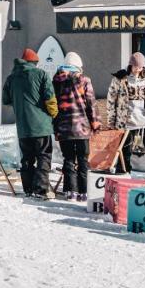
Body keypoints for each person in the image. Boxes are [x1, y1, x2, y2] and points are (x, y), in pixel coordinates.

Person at [3, 48, 58, 199]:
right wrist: (54, 114)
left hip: (23, 127)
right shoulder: (41, 74)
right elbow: (50, 99)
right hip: (41, 126)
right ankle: (40, 190)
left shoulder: (11, 78)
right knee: (43, 157)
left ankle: (28, 189)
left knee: (27, 159)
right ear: (34, 62)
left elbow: (5, 100)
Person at [106, 51, 145, 184]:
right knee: (124, 153)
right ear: (130, 66)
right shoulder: (120, 79)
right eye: (136, 66)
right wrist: (111, 121)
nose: (138, 69)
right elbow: (111, 101)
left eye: (140, 67)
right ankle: (122, 181)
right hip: (127, 122)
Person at [52, 52, 99, 201]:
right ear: (78, 66)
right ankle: (83, 192)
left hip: (63, 127)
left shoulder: (56, 80)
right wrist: (95, 123)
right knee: (83, 160)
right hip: (82, 127)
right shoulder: (84, 80)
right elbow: (91, 103)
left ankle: (70, 191)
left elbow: (52, 103)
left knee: (68, 159)